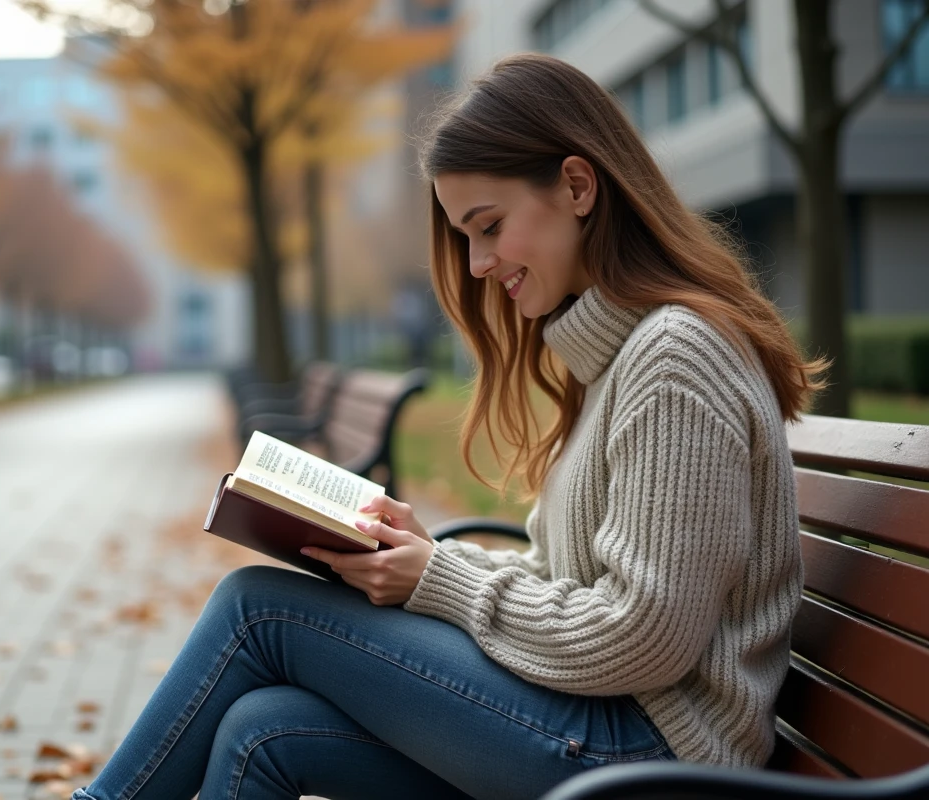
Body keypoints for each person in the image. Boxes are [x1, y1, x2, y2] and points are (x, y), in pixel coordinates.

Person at [73, 52, 825, 800]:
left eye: (488, 226)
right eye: (467, 235)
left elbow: (641, 636)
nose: (475, 263)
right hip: (608, 727)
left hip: (650, 756)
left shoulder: (673, 358)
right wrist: (422, 558)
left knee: (255, 609)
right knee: (263, 730)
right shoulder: (623, 360)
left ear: (576, 185)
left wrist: (440, 579)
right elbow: (573, 585)